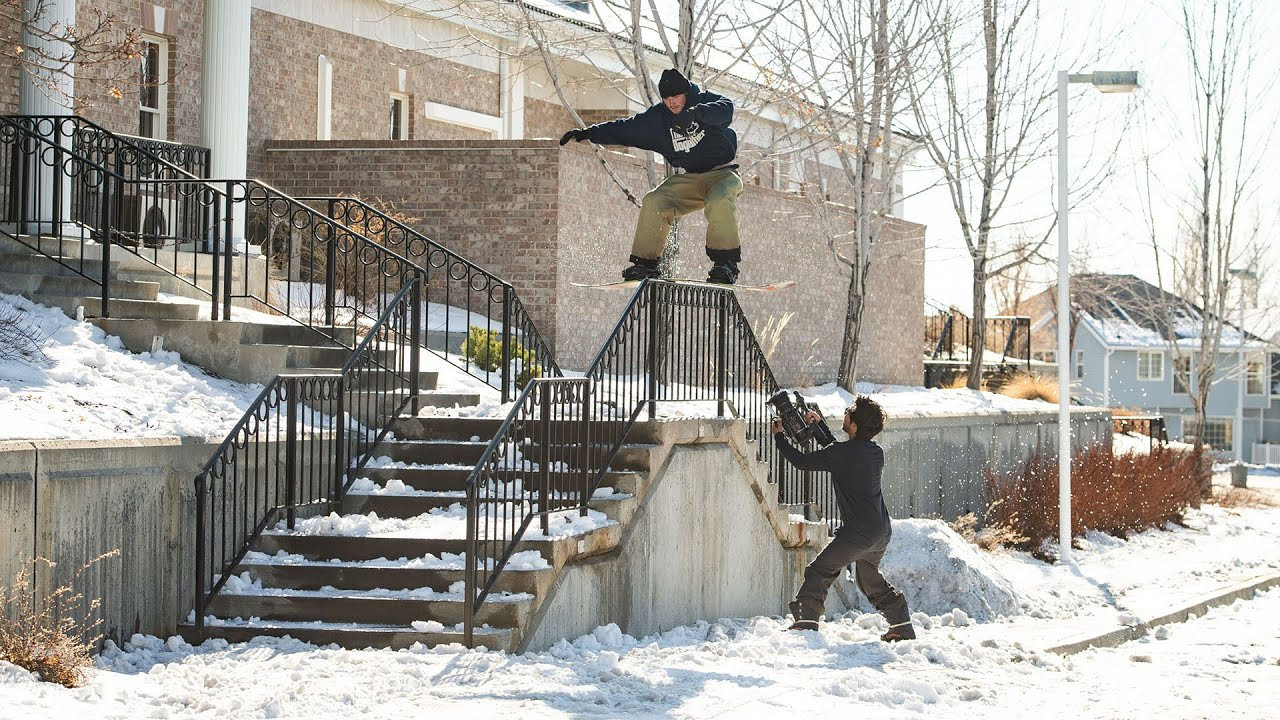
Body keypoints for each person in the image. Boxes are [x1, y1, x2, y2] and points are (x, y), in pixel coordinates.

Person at [559, 68, 743, 284]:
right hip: (690, 179)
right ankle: (644, 264)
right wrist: (588, 133)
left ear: (686, 93)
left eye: (676, 97)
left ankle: (725, 264)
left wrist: (695, 114)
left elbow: (726, 109)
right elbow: (625, 128)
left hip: (722, 173)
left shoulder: (704, 100)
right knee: (654, 201)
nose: (672, 102)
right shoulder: (658, 119)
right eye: (666, 98)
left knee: (719, 199)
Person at [771, 395, 915, 642]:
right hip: (880, 529)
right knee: (868, 578)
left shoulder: (844, 453)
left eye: (848, 412)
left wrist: (779, 436)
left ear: (855, 425)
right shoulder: (875, 452)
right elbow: (840, 453)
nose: (845, 414)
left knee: (819, 570)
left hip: (858, 532)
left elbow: (801, 461)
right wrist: (820, 428)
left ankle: (806, 621)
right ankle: (901, 624)